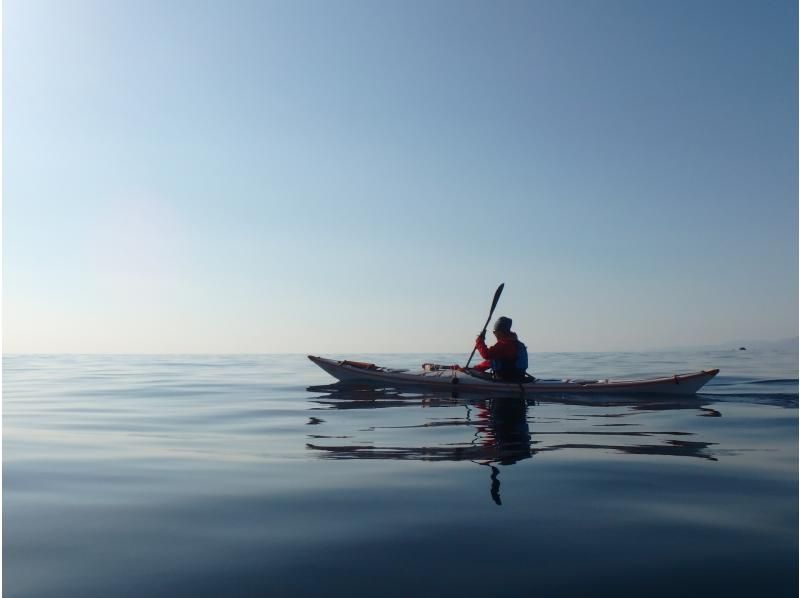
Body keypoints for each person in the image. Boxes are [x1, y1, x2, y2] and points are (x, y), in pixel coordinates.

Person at [473, 316, 529, 382]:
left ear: (500, 332)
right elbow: (492, 361)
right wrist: (475, 369)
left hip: (507, 379)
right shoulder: (517, 343)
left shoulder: (505, 344)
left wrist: (479, 342)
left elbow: (486, 355)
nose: (494, 335)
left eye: (494, 332)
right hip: (517, 377)